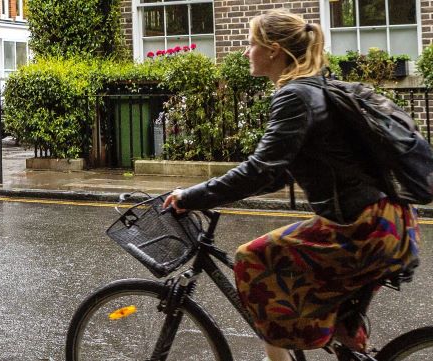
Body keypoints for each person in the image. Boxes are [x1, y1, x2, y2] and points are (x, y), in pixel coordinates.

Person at [161, 10, 419, 361]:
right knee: (321, 309)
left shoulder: (295, 96)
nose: (246, 51)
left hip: (361, 230)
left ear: (273, 50)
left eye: (251, 43)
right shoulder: (314, 88)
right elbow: (280, 173)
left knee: (252, 258)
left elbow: (260, 170)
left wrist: (190, 197)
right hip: (387, 222)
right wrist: (216, 193)